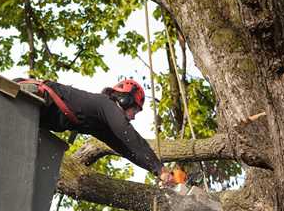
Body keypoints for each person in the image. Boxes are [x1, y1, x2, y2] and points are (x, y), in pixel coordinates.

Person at [15, 78, 184, 186]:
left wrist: (157, 171)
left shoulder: (99, 124)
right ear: (125, 100)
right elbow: (129, 136)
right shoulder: (106, 104)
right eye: (135, 110)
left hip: (34, 116)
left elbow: (128, 149)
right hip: (31, 96)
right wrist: (160, 168)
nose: (133, 117)